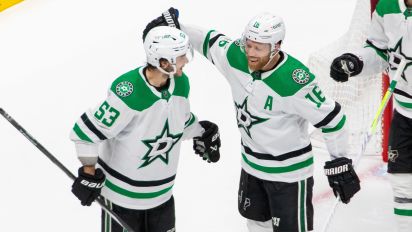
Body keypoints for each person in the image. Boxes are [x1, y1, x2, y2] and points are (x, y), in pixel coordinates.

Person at [144, 8, 361, 232]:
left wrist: (340, 162)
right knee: (256, 224)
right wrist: (177, 27)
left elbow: (333, 119)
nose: (251, 52)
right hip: (252, 167)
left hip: (289, 176)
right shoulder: (236, 55)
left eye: (259, 47)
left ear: (276, 47)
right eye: (249, 44)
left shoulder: (295, 81)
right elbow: (209, 41)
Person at [69, 26, 221, 232]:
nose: (186, 60)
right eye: (181, 56)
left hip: (163, 197)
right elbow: (85, 133)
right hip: (123, 200)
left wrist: (201, 131)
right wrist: (88, 173)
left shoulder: (181, 83)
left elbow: (179, 122)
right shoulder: (128, 92)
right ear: (164, 62)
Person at [329, 0, 412, 231]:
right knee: (402, 183)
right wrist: (356, 62)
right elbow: (379, 50)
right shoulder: (386, 7)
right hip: (404, 113)